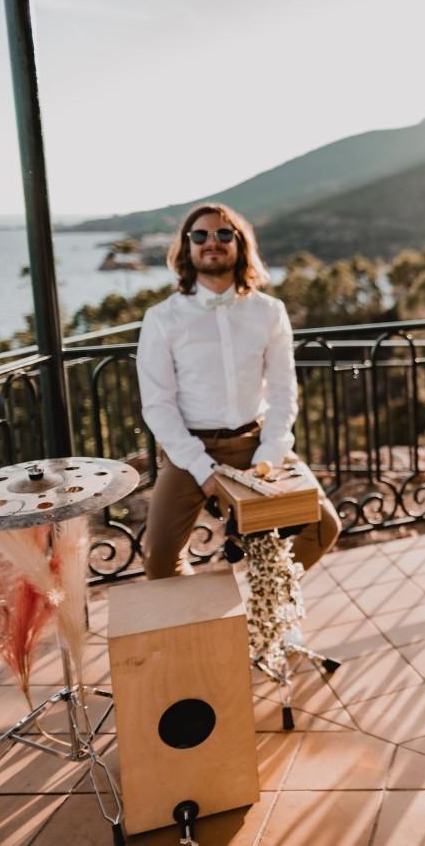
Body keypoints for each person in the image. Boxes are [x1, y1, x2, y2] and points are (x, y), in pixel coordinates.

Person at [137, 203, 340, 579]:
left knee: (324, 526)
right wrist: (202, 469)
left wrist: (269, 455)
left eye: (223, 234)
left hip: (257, 440)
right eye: (200, 235)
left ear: (239, 244)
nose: (211, 242)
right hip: (192, 450)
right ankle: (215, 618)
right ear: (187, 247)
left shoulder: (269, 311)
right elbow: (158, 405)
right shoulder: (162, 319)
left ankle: (259, 600)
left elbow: (282, 391)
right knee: (160, 562)